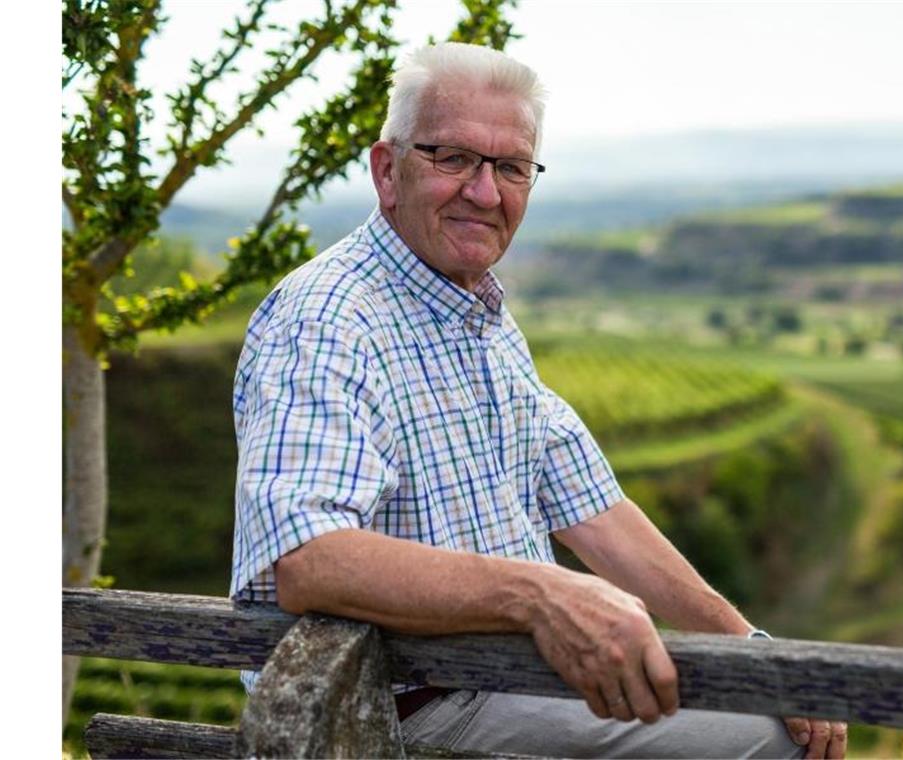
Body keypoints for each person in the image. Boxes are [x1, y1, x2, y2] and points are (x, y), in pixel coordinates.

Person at [230, 41, 846, 759]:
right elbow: (309, 559)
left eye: (511, 168)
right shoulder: (327, 321)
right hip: (403, 708)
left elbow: (593, 507)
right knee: (765, 741)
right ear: (386, 171)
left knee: (759, 701)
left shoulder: (477, 313)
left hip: (505, 682)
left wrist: (749, 647)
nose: (485, 192)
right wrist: (542, 595)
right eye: (453, 158)